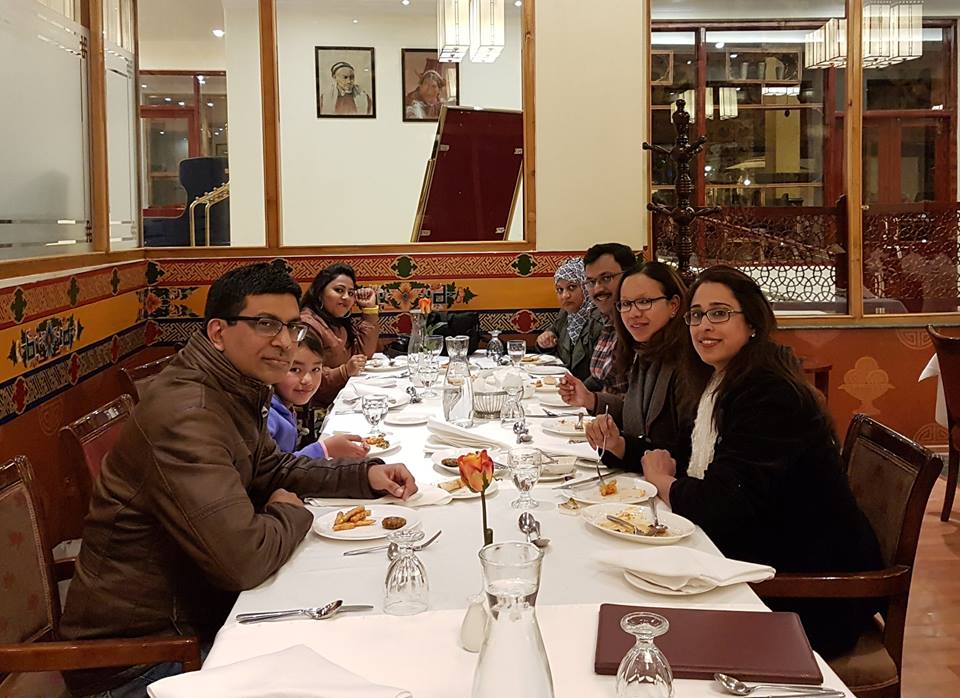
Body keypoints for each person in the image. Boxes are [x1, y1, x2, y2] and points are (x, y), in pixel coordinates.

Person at [60, 263, 416, 697]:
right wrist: (290, 512)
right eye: (265, 324)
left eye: (290, 326)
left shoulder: (231, 387)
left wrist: (364, 475)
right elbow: (244, 560)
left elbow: (275, 468)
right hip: (141, 661)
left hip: (196, 620)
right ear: (218, 331)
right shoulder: (188, 414)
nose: (284, 341)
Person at [640, 265, 882, 658]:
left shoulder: (770, 395)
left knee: (644, 625)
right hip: (760, 560)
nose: (704, 326)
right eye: (696, 315)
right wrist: (624, 448)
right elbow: (685, 456)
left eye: (719, 313)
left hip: (807, 595)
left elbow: (720, 504)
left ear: (752, 322)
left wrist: (663, 483)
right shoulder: (721, 381)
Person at [562, 262, 691, 472]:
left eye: (644, 302)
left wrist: (621, 446)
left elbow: (686, 455)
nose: (633, 313)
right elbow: (635, 414)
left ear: (674, 305)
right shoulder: (644, 352)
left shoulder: (688, 364)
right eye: (626, 304)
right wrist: (591, 400)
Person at [267, 330, 370, 460]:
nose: (307, 380)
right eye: (295, 369)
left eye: (315, 369)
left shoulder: (284, 406)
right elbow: (273, 469)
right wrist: (324, 450)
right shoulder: (267, 416)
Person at [300, 263, 380, 407]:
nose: (346, 297)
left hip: (345, 396)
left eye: (351, 293)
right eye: (339, 290)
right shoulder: (308, 325)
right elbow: (306, 377)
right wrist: (344, 371)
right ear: (320, 293)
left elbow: (363, 353)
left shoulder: (337, 322)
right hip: (321, 406)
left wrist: (369, 310)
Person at [575, 242, 637, 395]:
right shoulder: (608, 321)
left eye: (607, 278)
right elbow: (599, 378)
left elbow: (638, 402)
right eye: (591, 282)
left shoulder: (639, 325)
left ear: (630, 277)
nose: (598, 289)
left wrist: (592, 400)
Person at [535, 257, 602, 381]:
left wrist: (575, 389)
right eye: (560, 290)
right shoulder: (566, 314)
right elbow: (553, 333)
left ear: (586, 287)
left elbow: (600, 376)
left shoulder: (599, 320)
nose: (565, 296)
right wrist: (545, 342)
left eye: (572, 287)